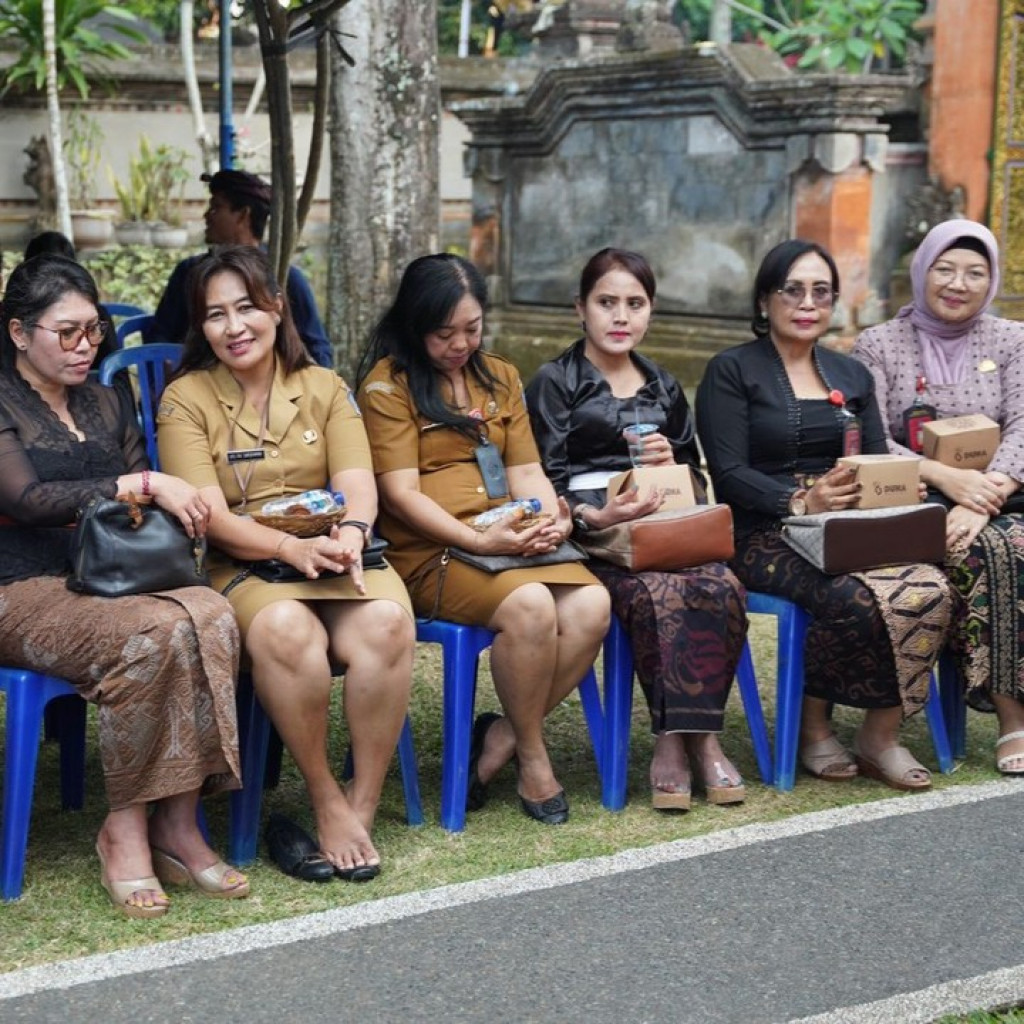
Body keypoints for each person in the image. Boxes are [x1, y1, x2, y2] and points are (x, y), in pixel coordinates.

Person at [0, 254, 247, 917]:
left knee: (214, 612)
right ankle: (127, 828)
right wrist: (136, 485)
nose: (87, 347)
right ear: (20, 333)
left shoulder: (108, 399)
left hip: (115, 576)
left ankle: (178, 821)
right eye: (67, 333)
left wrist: (178, 500)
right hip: (20, 584)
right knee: (151, 630)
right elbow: (25, 499)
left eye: (95, 331)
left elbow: (147, 488)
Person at [157, 245, 414, 880]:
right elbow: (210, 516)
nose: (234, 327)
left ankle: (362, 805)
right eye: (215, 315)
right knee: (284, 630)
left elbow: (359, 482)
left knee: (385, 622)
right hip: (247, 562)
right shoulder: (185, 399)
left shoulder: (325, 387)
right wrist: (289, 548)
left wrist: (352, 532)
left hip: (336, 553)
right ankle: (325, 796)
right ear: (201, 326)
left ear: (276, 307)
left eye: (247, 307)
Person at [357, 253, 610, 826]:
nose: (459, 345)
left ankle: (498, 740)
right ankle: (534, 754)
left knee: (593, 603)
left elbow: (525, 472)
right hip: (434, 550)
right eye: (444, 333)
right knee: (531, 605)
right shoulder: (387, 387)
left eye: (471, 329)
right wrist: (482, 542)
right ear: (415, 325)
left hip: (511, 537)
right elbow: (402, 496)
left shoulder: (498, 376)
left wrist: (553, 519)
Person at [695, 239, 954, 791]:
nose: (807, 303)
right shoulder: (732, 370)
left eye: (821, 292)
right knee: (853, 599)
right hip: (763, 530)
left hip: (850, 522)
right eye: (793, 290)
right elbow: (728, 471)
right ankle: (814, 724)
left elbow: (880, 455)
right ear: (766, 299)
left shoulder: (850, 374)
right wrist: (798, 502)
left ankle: (880, 734)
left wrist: (884, 504)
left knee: (933, 585)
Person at [525, 247, 748, 810]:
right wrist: (597, 513)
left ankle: (692, 738)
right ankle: (672, 747)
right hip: (590, 538)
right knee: (656, 595)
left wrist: (665, 461)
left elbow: (695, 482)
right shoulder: (557, 381)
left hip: (662, 533)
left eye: (635, 304)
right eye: (606, 303)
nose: (620, 317)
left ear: (651, 311)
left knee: (722, 586)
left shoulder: (665, 386)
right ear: (581, 309)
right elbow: (540, 482)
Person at [853, 219, 1024, 776]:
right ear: (923, 270)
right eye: (946, 269)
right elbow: (873, 434)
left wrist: (984, 495)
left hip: (1003, 495)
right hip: (919, 497)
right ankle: (1011, 719)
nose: (959, 283)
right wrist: (948, 482)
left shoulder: (1012, 340)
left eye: (975, 272)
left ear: (991, 279)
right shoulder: (878, 344)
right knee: (986, 552)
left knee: (1010, 541)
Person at [144, 169, 333, 368]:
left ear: (243, 215)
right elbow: (157, 339)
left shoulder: (285, 277)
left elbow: (319, 351)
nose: (207, 215)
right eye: (215, 313)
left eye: (216, 207)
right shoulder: (189, 273)